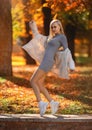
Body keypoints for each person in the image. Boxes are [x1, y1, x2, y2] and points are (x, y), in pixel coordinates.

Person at [22, 19, 75, 116]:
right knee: (40, 84)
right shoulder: (51, 38)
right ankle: (52, 102)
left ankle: (40, 103)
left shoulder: (62, 37)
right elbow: (40, 38)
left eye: (55, 26)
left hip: (47, 62)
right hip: (46, 61)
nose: (54, 28)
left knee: (33, 81)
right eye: (52, 27)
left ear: (60, 27)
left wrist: (70, 64)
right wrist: (34, 28)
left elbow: (67, 51)